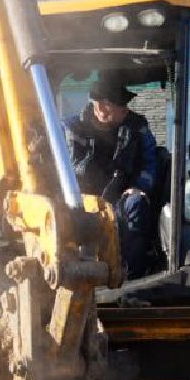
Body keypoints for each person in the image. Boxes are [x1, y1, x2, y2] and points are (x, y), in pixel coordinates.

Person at [65, 73, 160, 278]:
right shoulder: (72, 128)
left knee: (136, 204)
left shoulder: (136, 125)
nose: (126, 110)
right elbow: (69, 169)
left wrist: (140, 186)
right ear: (102, 107)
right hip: (82, 198)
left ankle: (131, 275)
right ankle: (75, 272)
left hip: (121, 195)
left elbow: (150, 161)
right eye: (121, 105)